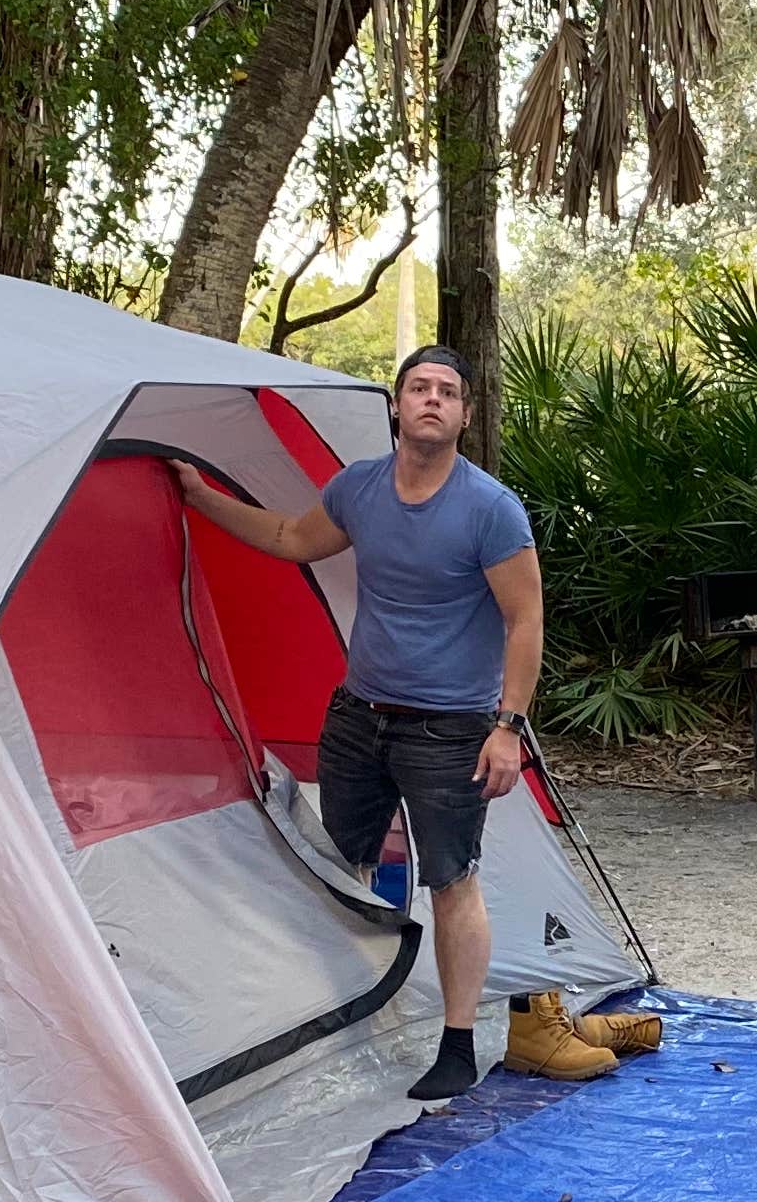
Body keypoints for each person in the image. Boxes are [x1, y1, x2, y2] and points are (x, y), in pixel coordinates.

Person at [176, 345, 543, 1100]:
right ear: (398, 407)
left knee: (451, 882)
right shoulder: (360, 489)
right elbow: (287, 539)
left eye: (447, 391)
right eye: (419, 388)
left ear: (465, 415)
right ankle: (358, 1013)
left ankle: (457, 1042)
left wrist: (507, 726)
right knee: (343, 869)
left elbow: (526, 617)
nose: (432, 400)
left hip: (451, 730)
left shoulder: (489, 509)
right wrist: (196, 493)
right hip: (359, 716)